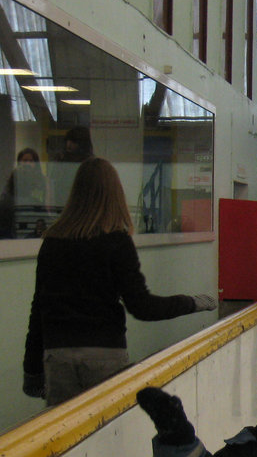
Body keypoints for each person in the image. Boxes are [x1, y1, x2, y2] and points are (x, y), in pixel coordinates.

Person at [22, 157, 215, 407]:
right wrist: (193, 303)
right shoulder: (117, 242)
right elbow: (142, 307)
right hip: (105, 354)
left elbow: (39, 309)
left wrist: (32, 370)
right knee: (109, 434)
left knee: (64, 438)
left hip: (58, 356)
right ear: (115, 195)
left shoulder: (52, 243)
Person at [1, 148, 50, 238]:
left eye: (31, 161)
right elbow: (5, 201)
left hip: (33, 221)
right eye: (24, 161)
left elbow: (45, 204)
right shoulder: (13, 179)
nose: (27, 164)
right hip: (13, 221)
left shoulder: (41, 181)